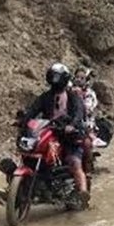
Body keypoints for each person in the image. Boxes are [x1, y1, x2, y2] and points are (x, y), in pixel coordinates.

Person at [21, 63, 90, 204]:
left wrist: (72, 125)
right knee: (31, 154)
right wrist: (23, 121)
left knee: (74, 162)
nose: (55, 80)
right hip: (50, 133)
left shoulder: (73, 96)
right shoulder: (45, 97)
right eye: (53, 76)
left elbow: (78, 112)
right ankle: (19, 189)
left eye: (57, 77)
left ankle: (82, 192)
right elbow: (33, 110)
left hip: (70, 136)